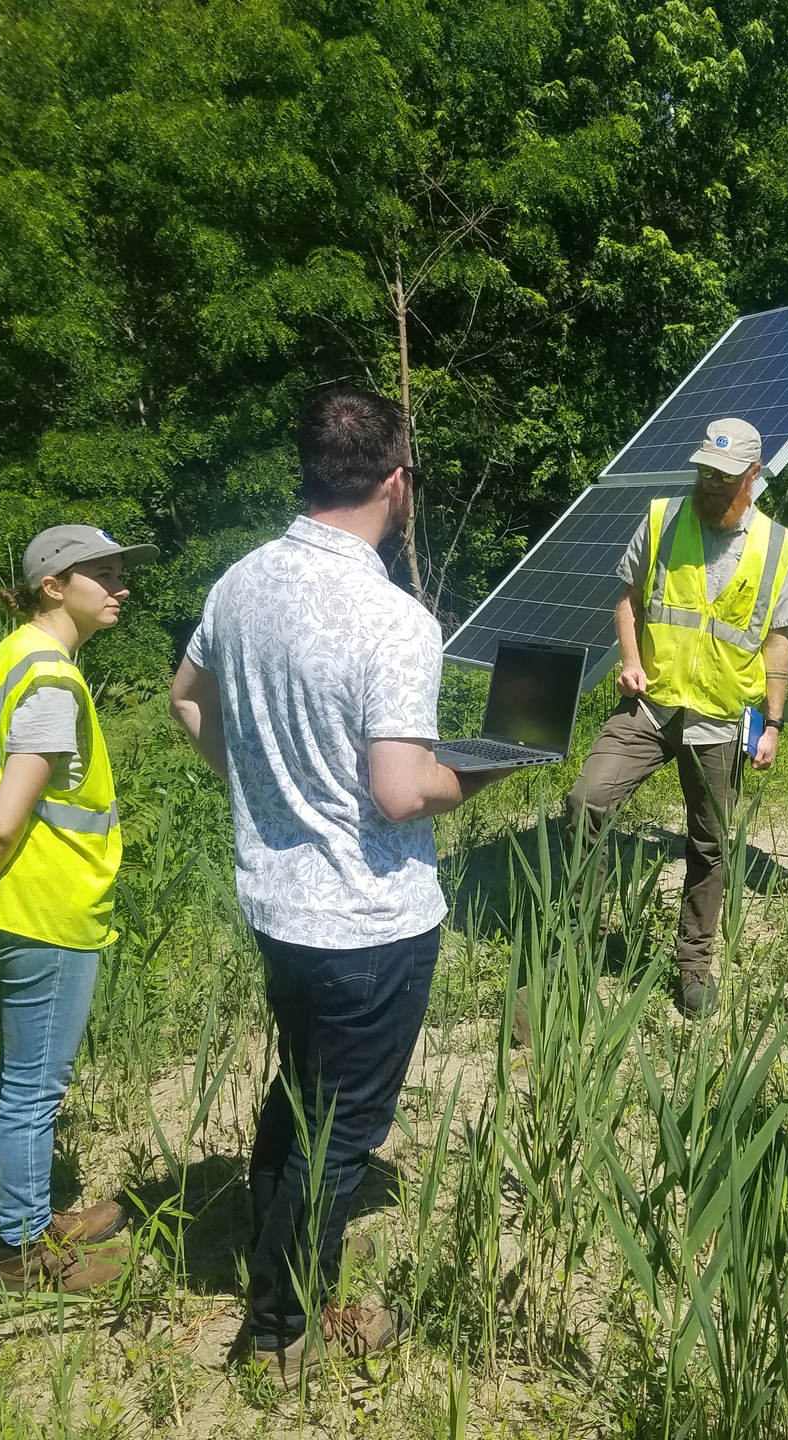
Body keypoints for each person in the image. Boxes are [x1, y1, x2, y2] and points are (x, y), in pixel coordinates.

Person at [169, 386, 508, 1381]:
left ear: (310, 467)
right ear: (395, 481)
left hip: (279, 907)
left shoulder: (242, 584)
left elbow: (187, 698)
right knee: (342, 1137)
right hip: (369, 924)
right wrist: (494, 767)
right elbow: (402, 793)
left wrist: (263, 790)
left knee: (302, 1097)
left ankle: (282, 1279)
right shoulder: (392, 619)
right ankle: (282, 1334)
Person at [0, 525, 157, 1291]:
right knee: (33, 1087)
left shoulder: (12, 653)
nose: (121, 587)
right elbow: (8, 816)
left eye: (121, 573)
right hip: (43, 908)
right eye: (102, 574)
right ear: (54, 585)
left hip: (21, 902)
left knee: (27, 1078)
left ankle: (33, 1213)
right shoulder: (50, 678)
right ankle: (22, 1256)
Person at [565, 418, 788, 1016]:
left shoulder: (778, 548)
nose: (710, 484)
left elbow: (778, 641)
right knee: (586, 799)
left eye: (723, 476)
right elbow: (628, 593)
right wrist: (629, 659)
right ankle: (577, 944)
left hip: (720, 719)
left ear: (752, 475)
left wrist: (771, 724)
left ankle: (693, 966)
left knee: (710, 844)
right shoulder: (662, 518)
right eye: (703, 471)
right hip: (651, 703)